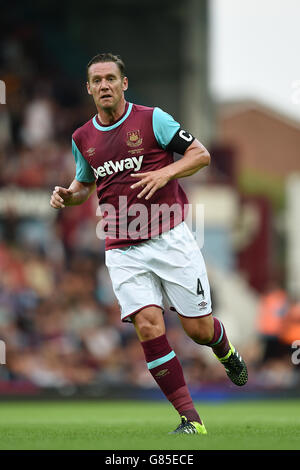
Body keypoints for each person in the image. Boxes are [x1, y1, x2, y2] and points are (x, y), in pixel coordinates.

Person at [50, 53, 248, 435]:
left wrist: (165, 172)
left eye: (111, 78)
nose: (104, 85)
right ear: (88, 89)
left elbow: (200, 155)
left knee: (199, 331)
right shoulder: (82, 138)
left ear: (124, 84)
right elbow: (84, 184)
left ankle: (226, 352)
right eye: (97, 81)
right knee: (147, 324)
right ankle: (191, 420)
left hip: (169, 238)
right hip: (122, 247)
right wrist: (66, 195)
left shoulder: (153, 119)